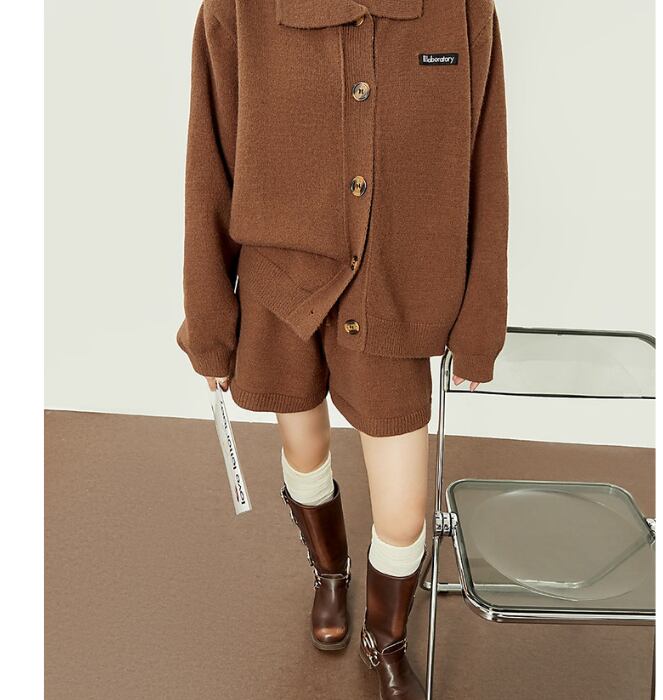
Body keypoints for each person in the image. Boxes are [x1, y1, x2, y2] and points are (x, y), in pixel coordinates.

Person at [177, 2, 508, 698]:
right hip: (279, 293)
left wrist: (479, 326)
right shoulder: (237, 9)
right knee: (305, 455)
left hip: (396, 293)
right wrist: (210, 325)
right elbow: (208, 164)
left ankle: (385, 637)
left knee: (405, 514)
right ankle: (331, 572)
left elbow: (487, 163)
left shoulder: (462, 10)